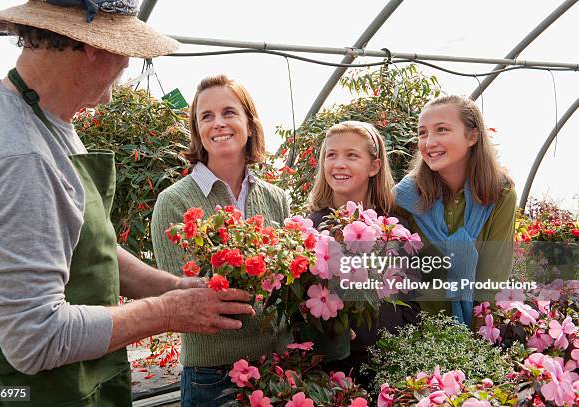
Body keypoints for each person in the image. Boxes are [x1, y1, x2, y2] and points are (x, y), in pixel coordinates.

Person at [0, 2, 255, 406]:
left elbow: (88, 243)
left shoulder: (47, 121)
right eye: (124, 54)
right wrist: (167, 311)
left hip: (68, 379)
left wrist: (171, 286)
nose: (123, 71)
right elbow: (35, 337)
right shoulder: (20, 157)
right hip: (19, 391)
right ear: (94, 47)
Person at [151, 74, 292, 406]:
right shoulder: (175, 202)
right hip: (213, 375)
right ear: (198, 130)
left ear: (248, 122)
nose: (218, 124)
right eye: (206, 116)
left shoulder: (276, 198)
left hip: (281, 366)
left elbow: (291, 286)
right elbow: (188, 297)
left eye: (229, 112)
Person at [306, 121, 419, 382]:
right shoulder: (311, 226)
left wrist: (400, 354)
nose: (339, 163)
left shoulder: (395, 227)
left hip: (388, 369)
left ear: (374, 166)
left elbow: (411, 301)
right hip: (330, 372)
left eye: (352, 155)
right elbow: (300, 306)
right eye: (331, 155)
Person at [395, 95, 516, 326]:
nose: (429, 142)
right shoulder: (404, 197)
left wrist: (476, 345)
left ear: (472, 136)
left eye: (441, 130)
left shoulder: (500, 193)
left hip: (475, 333)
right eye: (422, 133)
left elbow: (493, 277)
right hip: (412, 328)